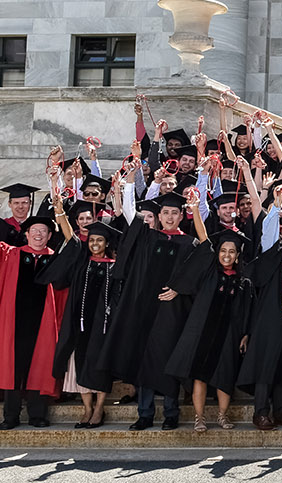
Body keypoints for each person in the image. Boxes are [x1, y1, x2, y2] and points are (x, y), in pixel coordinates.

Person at [101, 176, 200, 431]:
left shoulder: (190, 244)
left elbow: (199, 273)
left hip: (172, 313)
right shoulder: (150, 239)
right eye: (165, 212)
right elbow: (132, 216)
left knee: (167, 361)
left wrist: (179, 289)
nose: (169, 217)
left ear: (181, 216)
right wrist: (130, 183)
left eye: (174, 213)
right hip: (145, 309)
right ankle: (145, 414)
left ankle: (170, 413)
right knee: (144, 360)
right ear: (159, 215)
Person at [0, 203, 66, 429]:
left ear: (48, 236)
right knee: (11, 368)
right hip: (13, 324)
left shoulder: (56, 260)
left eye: (43, 231)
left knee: (40, 366)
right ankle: (11, 417)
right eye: (34, 231)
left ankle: (37, 415)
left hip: (43, 325)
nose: (38, 234)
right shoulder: (11, 255)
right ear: (26, 234)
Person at [163, 230, 253, 433]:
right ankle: (199, 417)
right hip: (202, 332)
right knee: (199, 375)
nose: (227, 255)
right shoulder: (209, 273)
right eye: (223, 251)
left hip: (228, 334)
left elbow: (247, 311)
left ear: (238, 255)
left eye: (232, 252)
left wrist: (245, 333)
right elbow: (204, 240)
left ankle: (223, 415)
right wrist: (195, 209)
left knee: (224, 376)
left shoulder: (243, 282)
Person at [237, 192, 282, 431]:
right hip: (269, 319)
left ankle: (281, 412)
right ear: (281, 233)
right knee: (266, 364)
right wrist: (277, 204)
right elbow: (267, 228)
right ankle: (260, 413)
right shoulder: (273, 251)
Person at [41, 210, 120, 429]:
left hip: (102, 326)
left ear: (106, 243)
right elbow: (70, 237)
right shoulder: (81, 263)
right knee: (81, 364)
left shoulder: (114, 266)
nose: (95, 243)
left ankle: (99, 408)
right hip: (80, 324)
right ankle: (86, 409)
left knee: (101, 367)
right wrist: (60, 211)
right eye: (92, 239)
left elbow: (117, 298)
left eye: (100, 240)